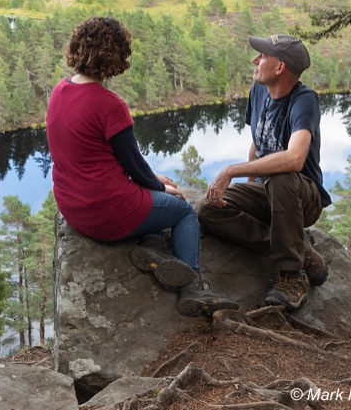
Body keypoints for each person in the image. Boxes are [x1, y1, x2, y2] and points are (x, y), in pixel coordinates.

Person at [46, 16, 237, 317]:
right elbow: (134, 166)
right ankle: (193, 288)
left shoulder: (59, 91)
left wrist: (150, 180)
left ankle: (153, 247)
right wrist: (162, 186)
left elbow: (102, 159)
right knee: (183, 210)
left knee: (155, 202)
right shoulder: (109, 105)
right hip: (108, 214)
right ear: (116, 56)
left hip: (73, 209)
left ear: (78, 46)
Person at [196, 34, 332, 310]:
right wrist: (247, 189)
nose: (254, 60)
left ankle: (292, 276)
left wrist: (231, 171)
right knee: (207, 209)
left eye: (262, 56)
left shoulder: (304, 101)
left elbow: (294, 159)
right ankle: (303, 251)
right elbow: (257, 143)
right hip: (268, 192)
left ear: (280, 67)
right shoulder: (259, 91)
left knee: (281, 176)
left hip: (302, 197)